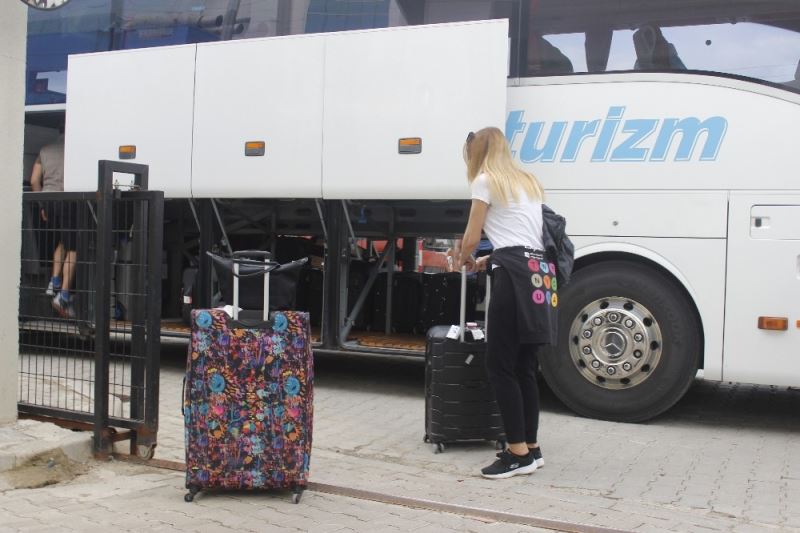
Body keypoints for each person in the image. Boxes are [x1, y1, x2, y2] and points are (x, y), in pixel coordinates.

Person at [455, 127, 557, 479]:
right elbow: (524, 237)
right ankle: (531, 447)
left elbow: (472, 237)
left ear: (478, 152)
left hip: (513, 278)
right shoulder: (527, 181)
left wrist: (463, 258)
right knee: (524, 366)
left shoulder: (485, 181)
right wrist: (488, 259)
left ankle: (516, 453)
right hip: (539, 275)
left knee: (500, 366)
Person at [29, 131, 76, 318]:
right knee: (74, 248)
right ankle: (63, 295)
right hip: (67, 200)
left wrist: (42, 204)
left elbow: (34, 180)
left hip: (48, 199)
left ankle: (54, 282)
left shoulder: (44, 150)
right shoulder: (74, 150)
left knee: (61, 241)